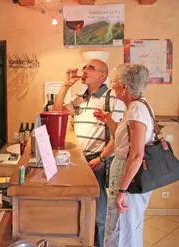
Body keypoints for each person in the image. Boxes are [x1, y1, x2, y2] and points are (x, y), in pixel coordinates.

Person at [53, 59, 125, 247]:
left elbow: (117, 134)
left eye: (90, 68)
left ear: (103, 76)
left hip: (97, 162)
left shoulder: (112, 98)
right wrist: (65, 86)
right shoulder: (80, 97)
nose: (84, 70)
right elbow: (56, 112)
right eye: (84, 67)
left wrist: (102, 158)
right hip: (79, 161)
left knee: (100, 216)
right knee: (81, 210)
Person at [93, 64, 153, 247]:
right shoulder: (137, 106)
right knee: (122, 227)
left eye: (115, 83)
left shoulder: (136, 109)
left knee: (121, 230)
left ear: (125, 87)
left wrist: (123, 190)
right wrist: (108, 121)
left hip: (129, 177)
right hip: (126, 174)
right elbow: (121, 140)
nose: (112, 87)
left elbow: (136, 154)